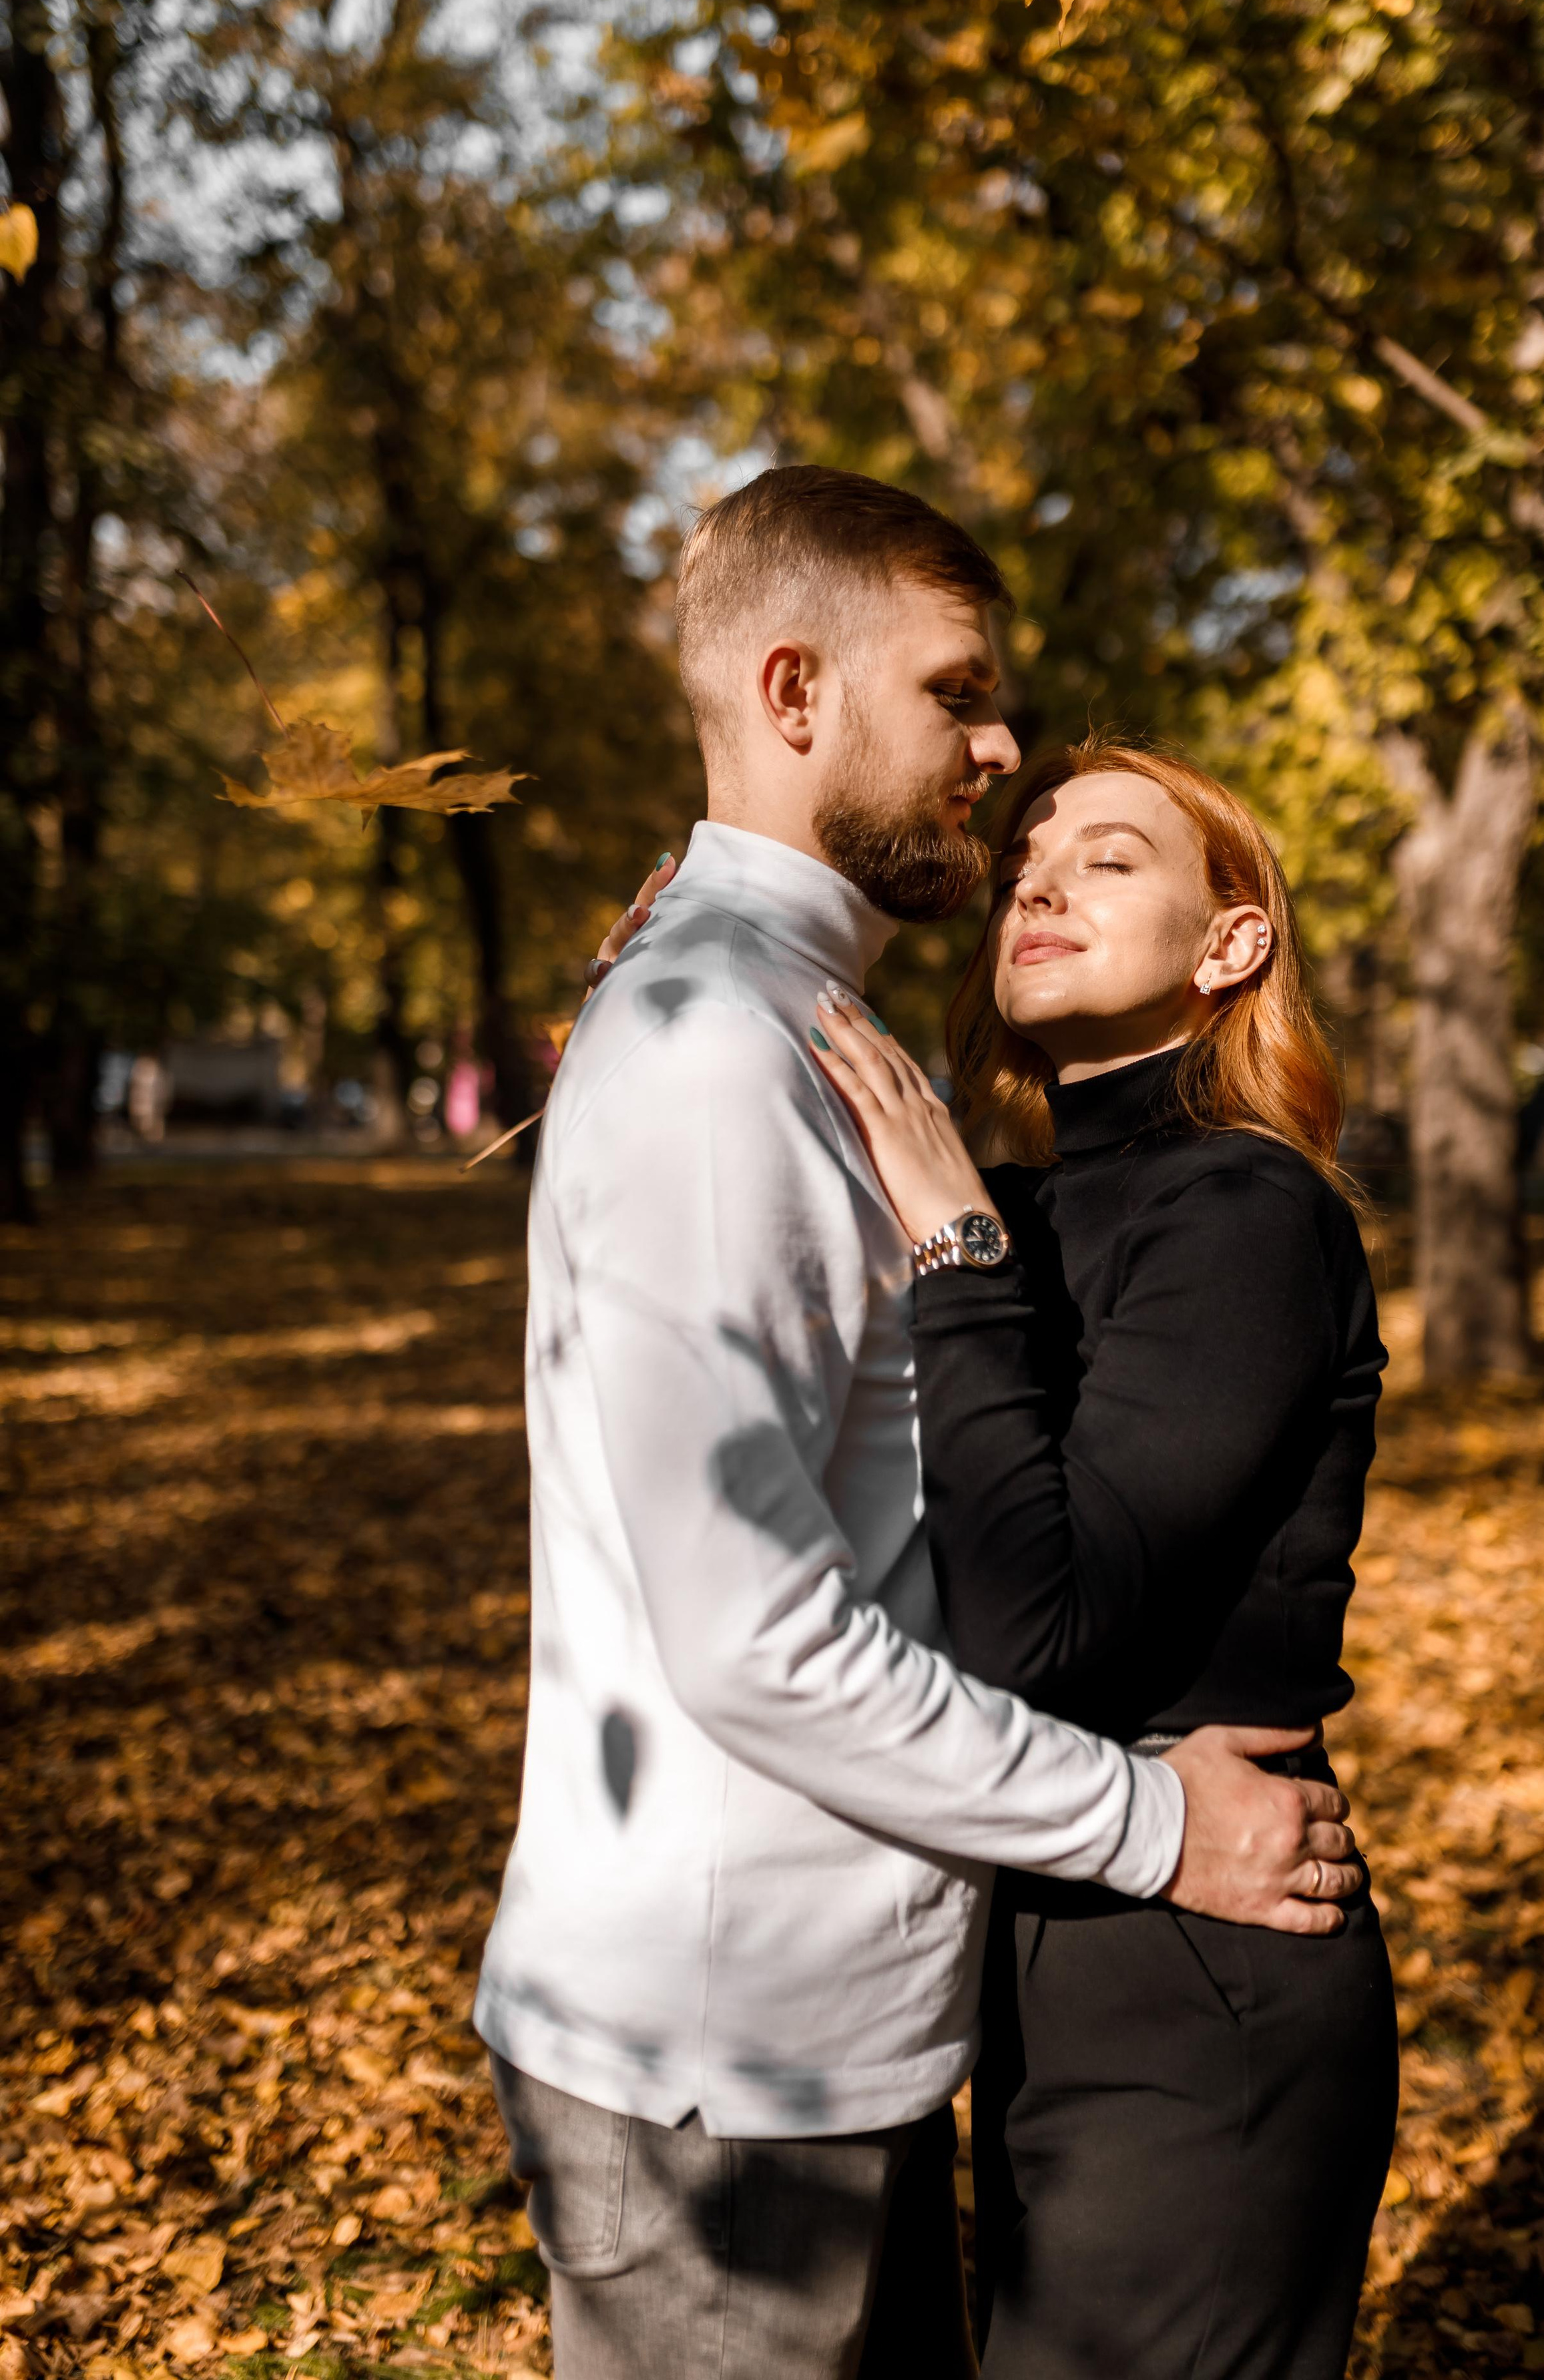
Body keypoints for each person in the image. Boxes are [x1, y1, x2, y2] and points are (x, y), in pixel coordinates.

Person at [477, 465, 1362, 2380]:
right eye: (958, 694)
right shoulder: (726, 1049)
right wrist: (1151, 1822)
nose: (1001, 746)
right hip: (731, 2067)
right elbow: (757, 1637)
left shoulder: (780, 1019)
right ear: (796, 696)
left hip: (838, 2026)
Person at [807, 734, 1399, 2380]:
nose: (1039, 881)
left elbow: (1037, 1629)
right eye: (1023, 867)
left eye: (1111, 859)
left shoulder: (1247, 1215)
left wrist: (958, 1245)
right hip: (1033, 1923)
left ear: (1229, 944)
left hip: (1204, 1970)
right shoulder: (1025, 1203)